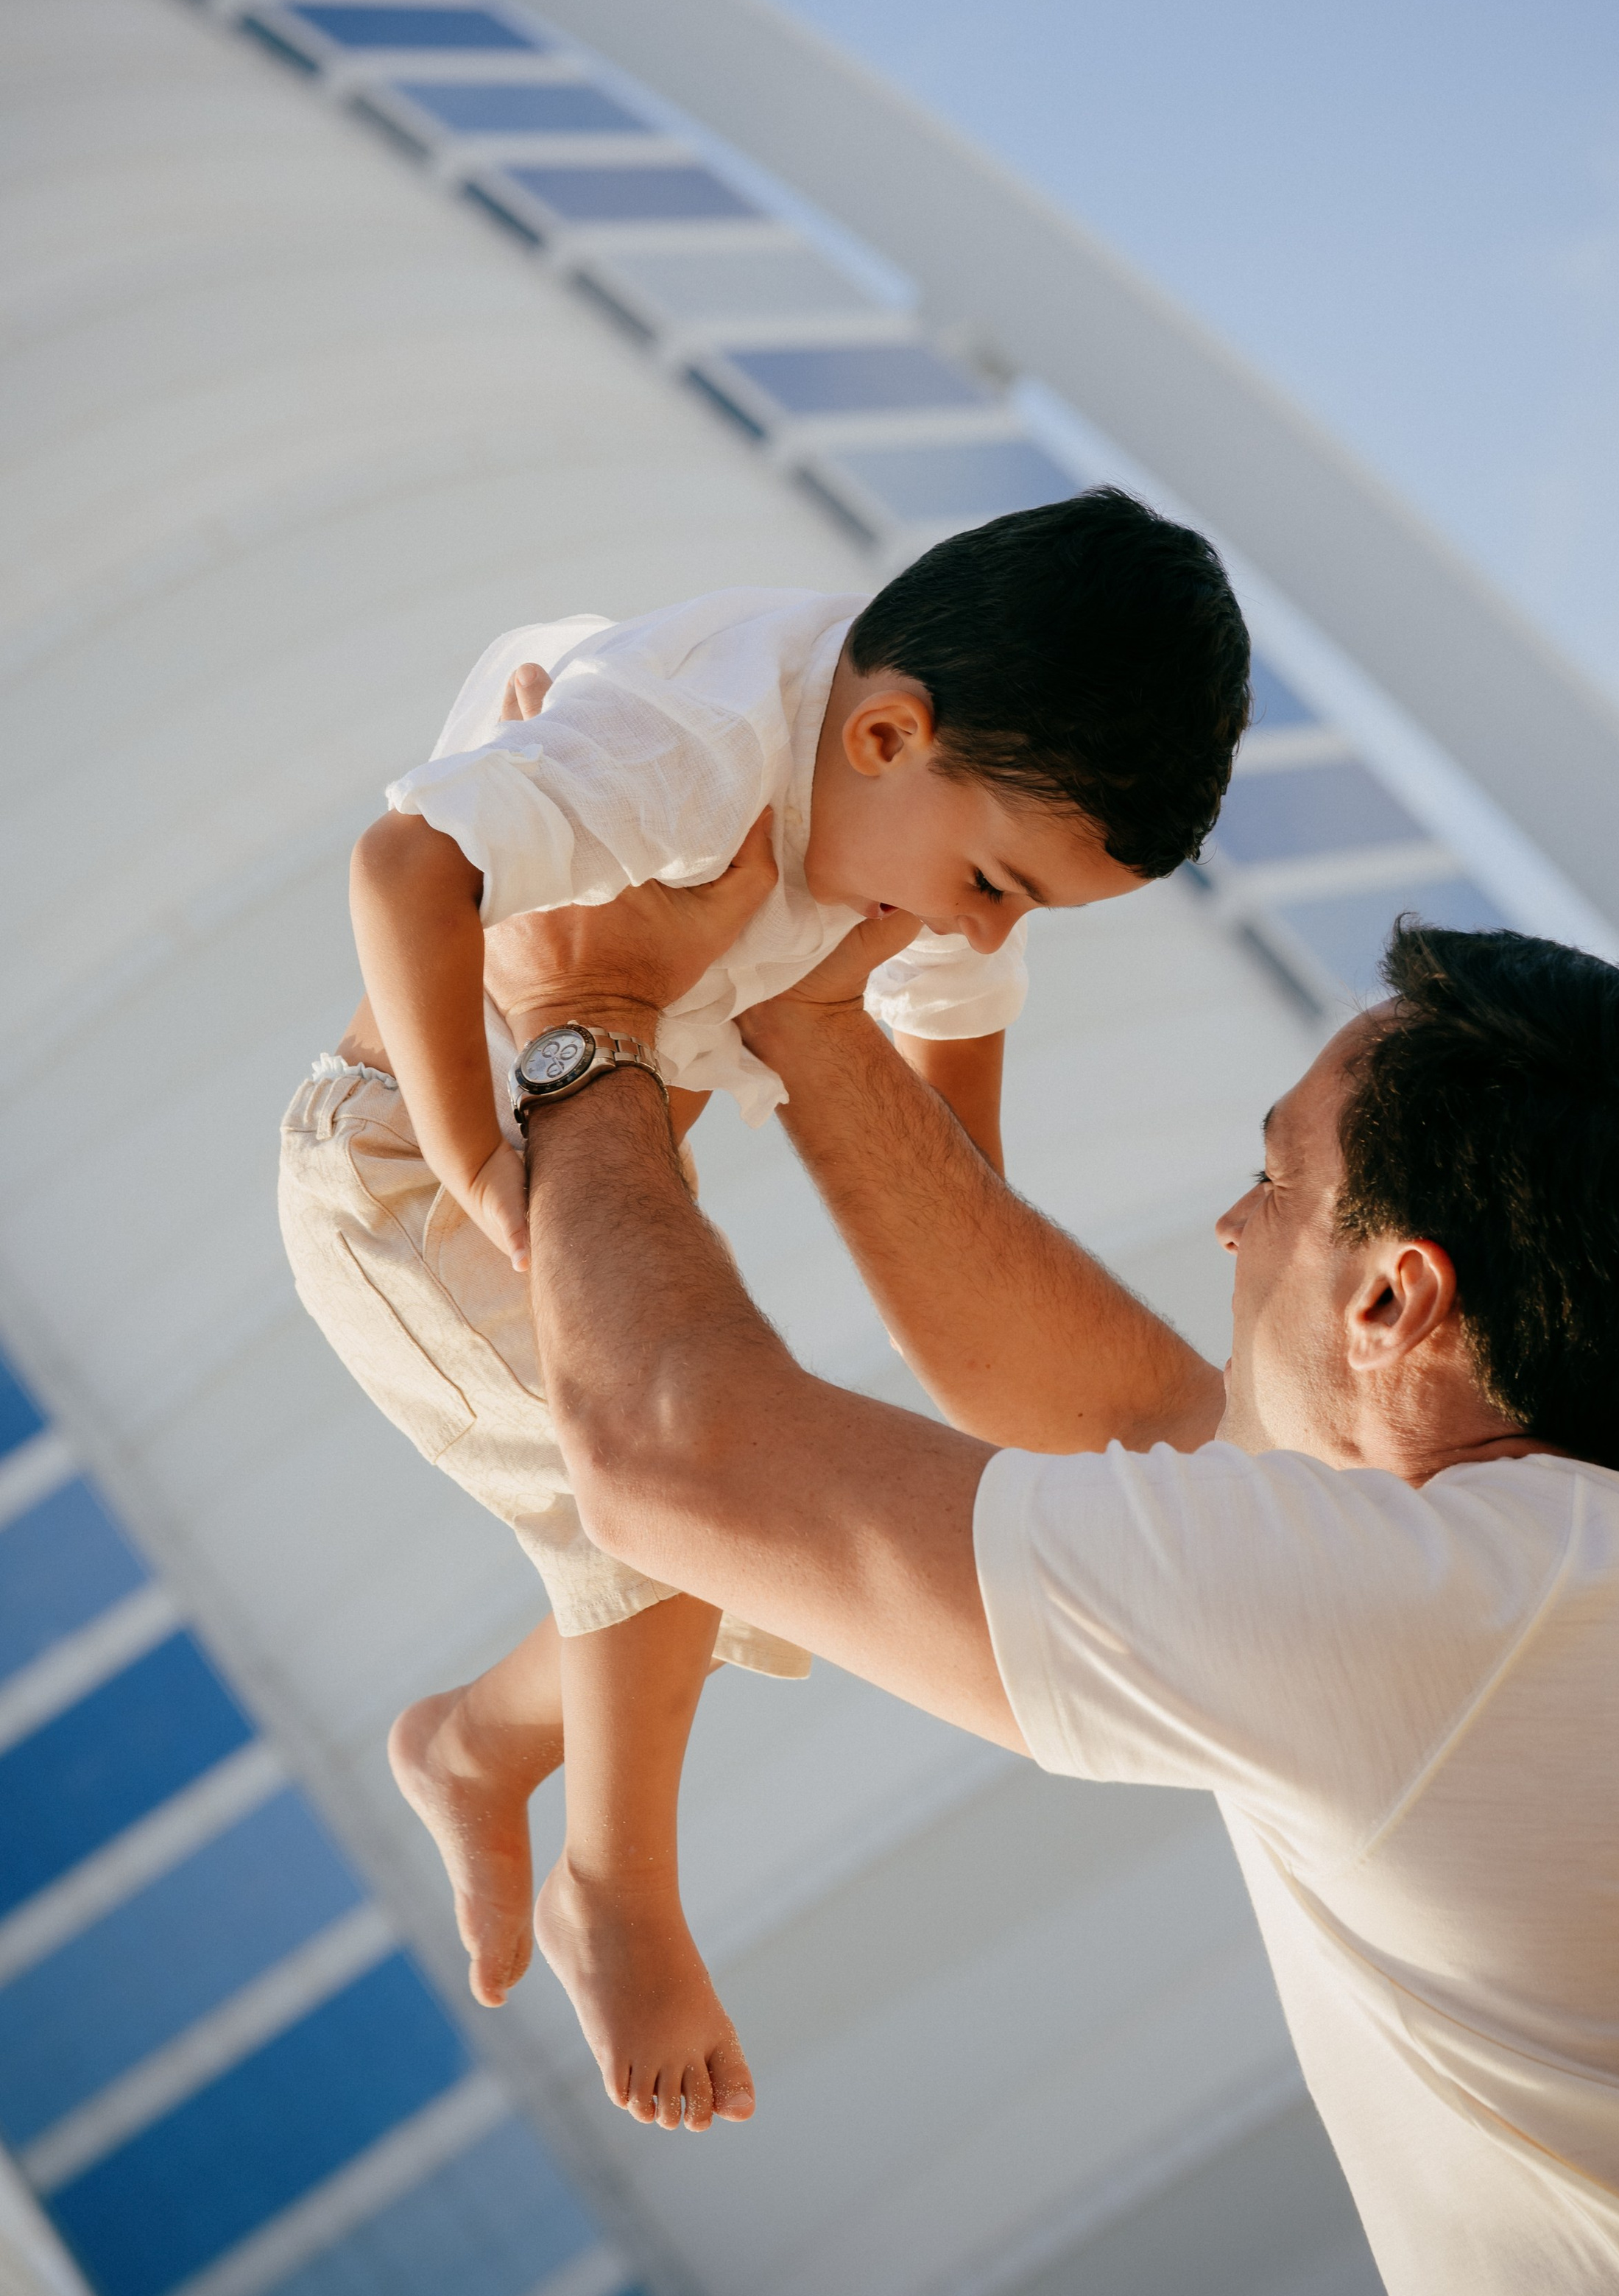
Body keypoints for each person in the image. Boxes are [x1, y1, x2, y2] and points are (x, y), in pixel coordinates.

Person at [472, 839, 1619, 2296]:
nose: (1229, 1224)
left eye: (1270, 1176)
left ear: (1393, 1296)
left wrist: (589, 1026)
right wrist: (804, 1024)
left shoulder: (1436, 1627)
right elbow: (1126, 1411)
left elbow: (665, 1449)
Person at [276, 488, 1251, 2120]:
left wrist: (825, 1018)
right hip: (394, 1170)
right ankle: (616, 1888)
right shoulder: (703, 740)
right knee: (676, 1509)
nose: (973, 928)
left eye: (1023, 913)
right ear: (884, 734)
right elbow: (402, 865)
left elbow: (954, 1182)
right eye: (995, 883)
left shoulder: (914, 842)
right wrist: (474, 1165)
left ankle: (485, 1742)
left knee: (764, 1560)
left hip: (581, 1153)